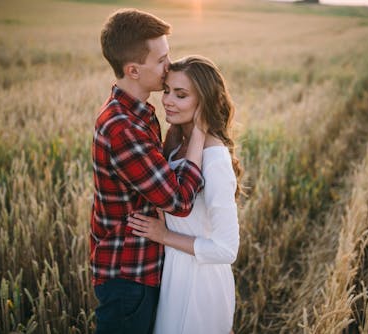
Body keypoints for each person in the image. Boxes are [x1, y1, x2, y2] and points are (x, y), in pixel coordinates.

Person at [91, 10, 207, 334]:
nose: (169, 66)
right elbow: (180, 200)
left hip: (138, 268)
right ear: (133, 70)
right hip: (129, 275)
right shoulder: (123, 129)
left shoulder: (137, 113)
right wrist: (199, 131)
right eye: (161, 60)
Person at [127, 55, 242, 334]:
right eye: (167, 90)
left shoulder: (214, 159)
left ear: (204, 101)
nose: (167, 100)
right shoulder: (178, 143)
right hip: (174, 272)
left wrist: (164, 235)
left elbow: (227, 250)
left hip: (199, 284)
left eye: (181, 95)